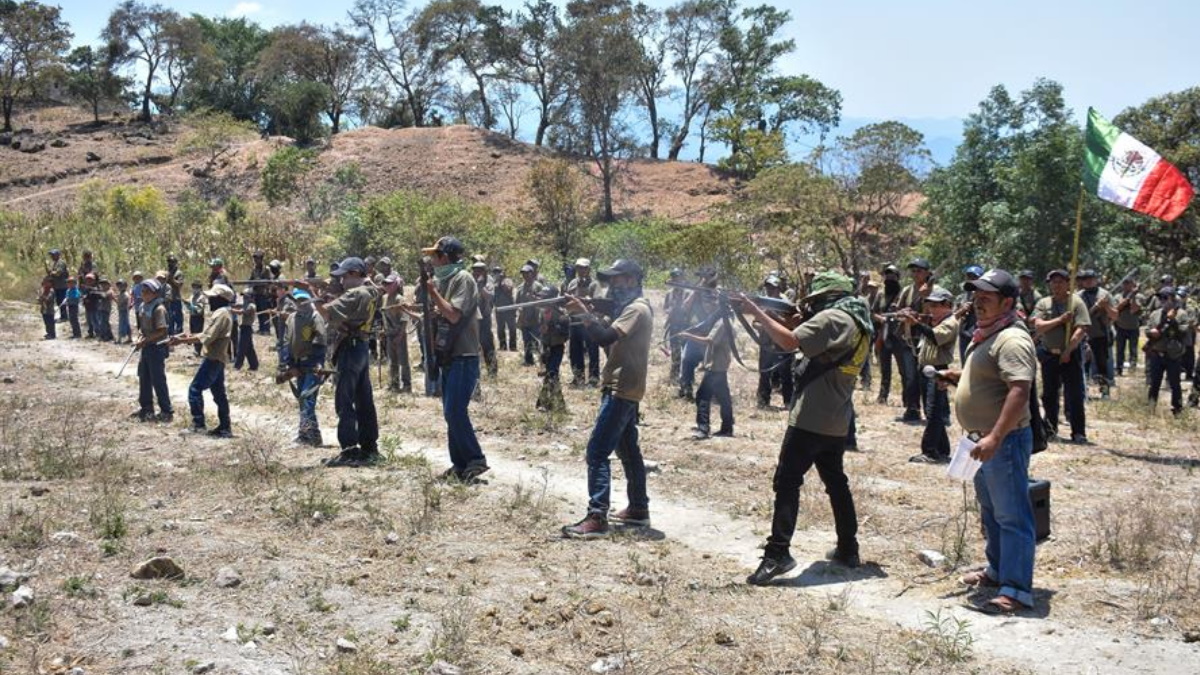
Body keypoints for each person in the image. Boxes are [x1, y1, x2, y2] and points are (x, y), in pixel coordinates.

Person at [743, 271, 872, 584]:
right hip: (836, 418)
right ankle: (848, 547)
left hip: (810, 417)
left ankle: (777, 553)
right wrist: (778, 320)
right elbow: (808, 341)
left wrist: (755, 311)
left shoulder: (831, 318)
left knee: (787, 481)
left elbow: (789, 342)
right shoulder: (858, 321)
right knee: (836, 483)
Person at [946, 268, 1038, 614]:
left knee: (1012, 514)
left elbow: (1019, 390)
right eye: (975, 295)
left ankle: (1015, 590)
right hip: (980, 441)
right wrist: (958, 378)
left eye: (986, 297)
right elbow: (993, 380)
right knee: (992, 511)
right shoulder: (988, 334)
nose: (977, 301)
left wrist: (996, 437)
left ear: (1008, 302)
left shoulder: (1011, 339)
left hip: (1004, 442)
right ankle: (998, 570)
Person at [561, 259, 653, 538]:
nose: (613, 284)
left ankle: (597, 516)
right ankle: (638, 508)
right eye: (612, 280)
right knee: (628, 451)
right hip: (626, 385)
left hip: (621, 387)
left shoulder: (636, 309)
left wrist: (584, 314)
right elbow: (610, 340)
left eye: (619, 279)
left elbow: (603, 339)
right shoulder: (629, 309)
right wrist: (590, 313)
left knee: (597, 451)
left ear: (634, 280)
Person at [422, 236, 489, 481]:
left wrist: (433, 293)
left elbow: (452, 315)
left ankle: (475, 458)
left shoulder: (463, 279)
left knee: (455, 412)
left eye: (436, 256)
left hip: (464, 355)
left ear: (446, 256)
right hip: (449, 356)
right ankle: (460, 465)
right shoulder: (445, 280)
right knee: (451, 413)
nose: (432, 260)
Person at [307, 257, 381, 467]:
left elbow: (326, 312)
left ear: (356, 274)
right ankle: (369, 447)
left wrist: (313, 294)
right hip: (361, 347)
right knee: (364, 399)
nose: (342, 281)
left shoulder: (356, 293)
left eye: (345, 276)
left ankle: (349, 449)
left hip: (350, 348)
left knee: (344, 400)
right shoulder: (372, 291)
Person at [1032, 269, 1090, 443]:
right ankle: (1050, 429)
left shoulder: (1076, 302)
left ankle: (1078, 432)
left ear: (1068, 283)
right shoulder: (1043, 303)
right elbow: (1039, 326)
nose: (1056, 285)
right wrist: (1060, 320)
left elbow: (1082, 329)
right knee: (1049, 394)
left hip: (1070, 355)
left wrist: (1069, 350)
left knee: (1074, 395)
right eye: (1053, 282)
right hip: (1049, 354)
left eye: (1060, 281)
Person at [173, 284, 235, 438]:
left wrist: (182, 341)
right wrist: (187, 336)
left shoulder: (221, 314)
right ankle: (225, 427)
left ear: (221, 299)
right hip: (218, 358)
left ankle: (198, 424)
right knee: (219, 394)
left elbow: (208, 337)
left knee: (195, 389)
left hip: (213, 358)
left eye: (212, 297)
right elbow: (207, 333)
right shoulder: (224, 313)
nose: (209, 300)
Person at [910, 289, 959, 463]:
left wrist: (916, 323)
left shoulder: (950, 322)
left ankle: (930, 451)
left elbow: (936, 337)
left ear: (947, 306)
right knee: (933, 410)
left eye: (936, 305)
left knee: (933, 411)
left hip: (938, 370)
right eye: (930, 304)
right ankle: (942, 450)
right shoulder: (936, 321)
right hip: (927, 369)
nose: (931, 308)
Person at [894, 258, 944, 422]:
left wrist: (919, 315)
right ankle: (913, 408)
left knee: (929, 376)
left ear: (927, 273)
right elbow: (897, 312)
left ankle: (935, 412)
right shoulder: (907, 291)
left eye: (919, 271)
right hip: (909, 338)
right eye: (913, 271)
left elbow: (942, 314)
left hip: (928, 338)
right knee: (910, 376)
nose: (916, 274)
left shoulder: (936, 291)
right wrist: (904, 312)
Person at [279, 288, 328, 445]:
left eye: (303, 300)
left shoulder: (315, 317)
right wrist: (289, 363)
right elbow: (286, 341)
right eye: (297, 300)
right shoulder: (292, 318)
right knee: (302, 399)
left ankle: (307, 435)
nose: (300, 303)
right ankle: (310, 435)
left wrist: (316, 362)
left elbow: (320, 341)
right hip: (297, 364)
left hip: (312, 364)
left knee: (307, 398)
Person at [680, 301, 735, 440]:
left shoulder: (722, 323)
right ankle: (727, 427)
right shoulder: (727, 322)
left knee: (702, 396)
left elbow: (709, 341)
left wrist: (688, 336)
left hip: (716, 365)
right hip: (720, 365)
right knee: (724, 398)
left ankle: (703, 428)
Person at [1144, 286, 1190, 415]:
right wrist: (1150, 333)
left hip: (1173, 355)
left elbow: (1183, 332)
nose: (1162, 300)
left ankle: (1177, 409)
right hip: (1157, 353)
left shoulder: (1182, 314)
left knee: (1175, 384)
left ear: (1172, 298)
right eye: (1160, 297)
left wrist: (1172, 320)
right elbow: (1148, 329)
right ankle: (1151, 407)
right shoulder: (1155, 314)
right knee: (1154, 383)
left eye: (1165, 297)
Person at [132, 279, 173, 423]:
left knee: (158, 380)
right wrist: (139, 338)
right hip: (146, 347)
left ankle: (166, 411)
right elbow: (141, 328)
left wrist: (146, 340)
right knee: (144, 377)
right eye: (142, 291)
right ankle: (146, 408)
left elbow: (162, 331)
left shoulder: (159, 309)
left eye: (146, 291)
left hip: (156, 348)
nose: (143, 294)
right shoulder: (144, 306)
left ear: (154, 293)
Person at [756, 275, 795, 409]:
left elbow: (790, 325)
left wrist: (772, 316)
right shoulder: (763, 302)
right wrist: (762, 326)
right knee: (764, 372)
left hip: (782, 344)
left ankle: (789, 401)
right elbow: (755, 323)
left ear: (778, 288)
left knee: (786, 374)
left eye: (771, 288)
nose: (768, 291)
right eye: (767, 288)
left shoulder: (786, 304)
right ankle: (763, 400)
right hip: (766, 343)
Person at [1077, 269, 1115, 398]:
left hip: (1100, 334)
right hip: (1083, 335)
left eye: (1090, 278)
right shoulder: (1078, 296)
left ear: (1095, 279)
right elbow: (1079, 316)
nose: (1088, 281)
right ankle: (1083, 392)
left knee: (1102, 364)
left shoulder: (1105, 294)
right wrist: (1095, 307)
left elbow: (1115, 315)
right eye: (1085, 279)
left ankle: (1105, 392)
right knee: (1083, 364)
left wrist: (1105, 307)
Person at [871, 264, 904, 404]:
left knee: (904, 370)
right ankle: (882, 396)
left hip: (899, 336)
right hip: (883, 335)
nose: (889, 278)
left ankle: (907, 399)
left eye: (893, 275)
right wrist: (882, 319)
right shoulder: (880, 294)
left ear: (897, 277)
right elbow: (873, 313)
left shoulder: (903, 293)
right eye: (887, 275)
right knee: (885, 369)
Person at [567, 258, 602, 386]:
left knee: (592, 350)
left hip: (589, 321)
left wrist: (587, 301)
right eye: (579, 268)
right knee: (575, 351)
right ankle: (578, 377)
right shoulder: (572, 283)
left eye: (584, 268)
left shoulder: (594, 284)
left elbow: (597, 302)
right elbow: (565, 299)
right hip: (574, 321)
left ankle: (593, 378)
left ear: (589, 269)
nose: (581, 270)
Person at [536, 287, 570, 412]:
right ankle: (557, 404)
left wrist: (554, 328)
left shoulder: (562, 314)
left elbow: (566, 334)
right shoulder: (542, 313)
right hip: (545, 347)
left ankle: (544, 402)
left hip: (557, 347)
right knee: (552, 375)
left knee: (551, 373)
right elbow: (539, 329)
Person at [380, 273, 413, 393]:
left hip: (399, 333)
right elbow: (384, 316)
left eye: (389, 284)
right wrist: (384, 330)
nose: (386, 286)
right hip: (389, 333)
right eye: (385, 284)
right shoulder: (384, 298)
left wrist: (400, 335)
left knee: (403, 360)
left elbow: (405, 318)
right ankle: (394, 384)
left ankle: (406, 384)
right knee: (392, 360)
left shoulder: (400, 299)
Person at [663, 268, 692, 384]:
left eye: (679, 278)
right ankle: (674, 377)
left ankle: (686, 378)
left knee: (687, 354)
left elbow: (691, 310)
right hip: (674, 326)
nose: (677, 281)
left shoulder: (688, 294)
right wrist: (670, 311)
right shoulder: (669, 294)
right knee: (675, 352)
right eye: (675, 278)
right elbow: (665, 308)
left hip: (686, 327)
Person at [472, 261, 499, 377]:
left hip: (485, 319)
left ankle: (492, 373)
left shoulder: (489, 281)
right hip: (473, 319)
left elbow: (490, 296)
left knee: (487, 345)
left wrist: (481, 286)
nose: (477, 272)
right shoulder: (470, 280)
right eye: (475, 270)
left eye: (480, 270)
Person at [515, 264, 545, 366]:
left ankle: (541, 361)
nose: (525, 275)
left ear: (532, 273)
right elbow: (517, 303)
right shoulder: (520, 288)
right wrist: (520, 311)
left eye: (527, 273)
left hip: (536, 318)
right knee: (526, 340)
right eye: (523, 273)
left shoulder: (538, 286)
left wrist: (534, 298)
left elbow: (544, 301)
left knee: (537, 340)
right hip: (525, 318)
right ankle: (528, 360)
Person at [1113, 276, 1143, 376]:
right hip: (1120, 326)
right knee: (1120, 350)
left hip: (1134, 327)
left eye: (1128, 283)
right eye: (1125, 283)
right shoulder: (1118, 297)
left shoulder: (1139, 297)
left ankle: (1132, 369)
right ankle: (1119, 369)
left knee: (1133, 349)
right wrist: (1125, 301)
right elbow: (1115, 309)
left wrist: (1133, 296)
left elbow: (1135, 310)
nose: (1126, 285)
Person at [957, 265, 983, 363]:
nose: (971, 279)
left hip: (980, 333)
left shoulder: (985, 296)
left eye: (974, 277)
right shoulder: (961, 297)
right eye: (969, 277)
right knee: (965, 363)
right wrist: (962, 309)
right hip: (964, 334)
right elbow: (954, 316)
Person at [232, 290, 260, 371]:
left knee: (241, 347)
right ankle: (254, 365)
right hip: (244, 327)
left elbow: (242, 312)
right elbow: (238, 306)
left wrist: (231, 310)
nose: (244, 298)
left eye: (246, 296)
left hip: (247, 328)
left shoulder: (251, 306)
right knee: (249, 348)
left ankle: (237, 366)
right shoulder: (246, 304)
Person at [249, 250, 273, 334]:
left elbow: (270, 280)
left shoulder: (266, 269)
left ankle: (266, 329)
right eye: (255, 259)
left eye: (257, 259)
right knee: (259, 311)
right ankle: (261, 328)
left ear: (261, 259)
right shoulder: (254, 269)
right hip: (256, 293)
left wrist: (265, 286)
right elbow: (250, 280)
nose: (255, 261)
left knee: (265, 312)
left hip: (264, 293)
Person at [492, 266, 516, 351]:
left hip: (509, 309)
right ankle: (503, 346)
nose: (496, 274)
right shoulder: (494, 284)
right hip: (499, 310)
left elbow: (509, 289)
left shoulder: (507, 281)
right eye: (495, 272)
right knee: (500, 329)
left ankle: (513, 346)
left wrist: (502, 282)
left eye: (498, 272)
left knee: (512, 328)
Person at [47, 248, 69, 322]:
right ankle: (62, 316)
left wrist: (51, 272)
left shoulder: (61, 263)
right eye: (51, 255)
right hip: (57, 286)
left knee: (62, 301)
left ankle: (64, 317)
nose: (52, 256)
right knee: (59, 301)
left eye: (53, 255)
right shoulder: (55, 263)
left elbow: (58, 273)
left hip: (62, 286)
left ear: (57, 255)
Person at [165, 255, 185, 335]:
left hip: (176, 297)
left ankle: (179, 330)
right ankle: (171, 331)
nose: (170, 263)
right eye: (169, 261)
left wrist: (172, 279)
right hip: (169, 298)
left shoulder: (178, 273)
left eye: (172, 262)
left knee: (178, 315)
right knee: (170, 316)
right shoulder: (167, 272)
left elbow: (179, 284)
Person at [187, 281, 206, 356]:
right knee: (193, 332)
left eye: (196, 287)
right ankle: (195, 348)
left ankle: (198, 350)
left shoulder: (202, 297)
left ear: (200, 288)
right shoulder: (192, 296)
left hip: (199, 317)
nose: (194, 289)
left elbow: (200, 309)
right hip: (192, 316)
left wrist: (192, 307)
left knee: (198, 333)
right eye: (193, 287)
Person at [115, 279, 131, 344]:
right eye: (118, 286)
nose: (119, 287)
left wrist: (114, 299)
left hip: (124, 311)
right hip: (122, 311)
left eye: (121, 286)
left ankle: (119, 339)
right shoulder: (121, 294)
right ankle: (129, 338)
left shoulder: (125, 294)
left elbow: (120, 303)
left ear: (125, 286)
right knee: (126, 324)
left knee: (122, 324)